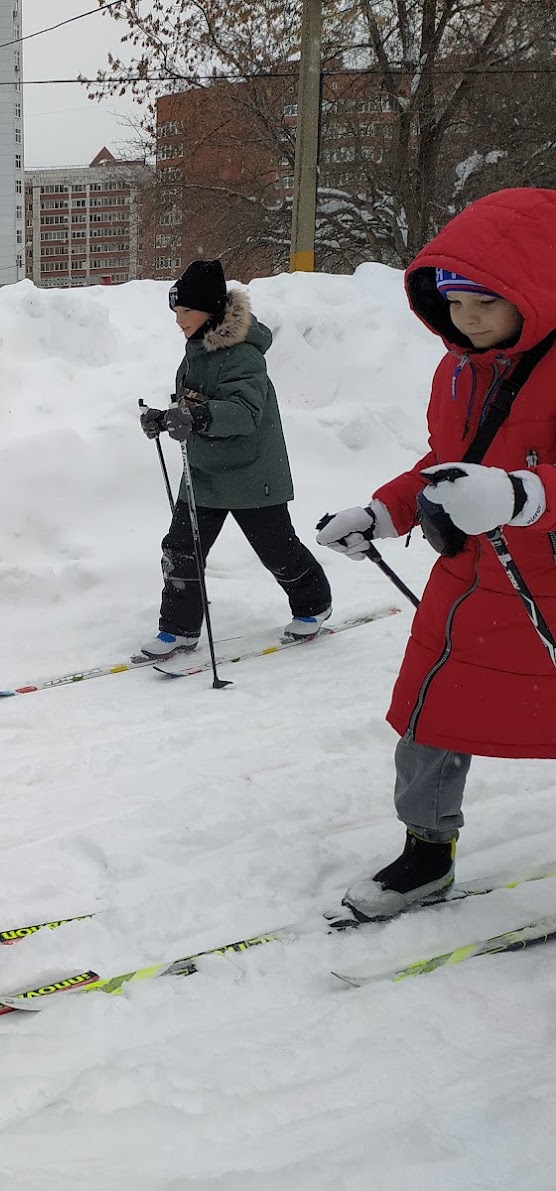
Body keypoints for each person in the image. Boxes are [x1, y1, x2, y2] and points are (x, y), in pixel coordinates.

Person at [315, 188, 556, 919]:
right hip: (469, 582)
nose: (468, 319)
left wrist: (519, 495)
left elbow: (508, 475)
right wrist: (383, 512)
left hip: (546, 583)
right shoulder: (456, 369)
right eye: (453, 303)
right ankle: (425, 856)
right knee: (427, 718)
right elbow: (446, 460)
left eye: (486, 301)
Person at [135, 259, 332, 661]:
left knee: (275, 548)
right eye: (176, 312)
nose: (179, 320)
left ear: (209, 310)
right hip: (205, 471)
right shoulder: (195, 351)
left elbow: (244, 412)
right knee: (180, 547)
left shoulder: (243, 355)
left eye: (186, 311)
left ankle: (314, 606)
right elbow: (193, 402)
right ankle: (178, 630)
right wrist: (167, 417)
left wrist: (200, 417)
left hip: (251, 472)